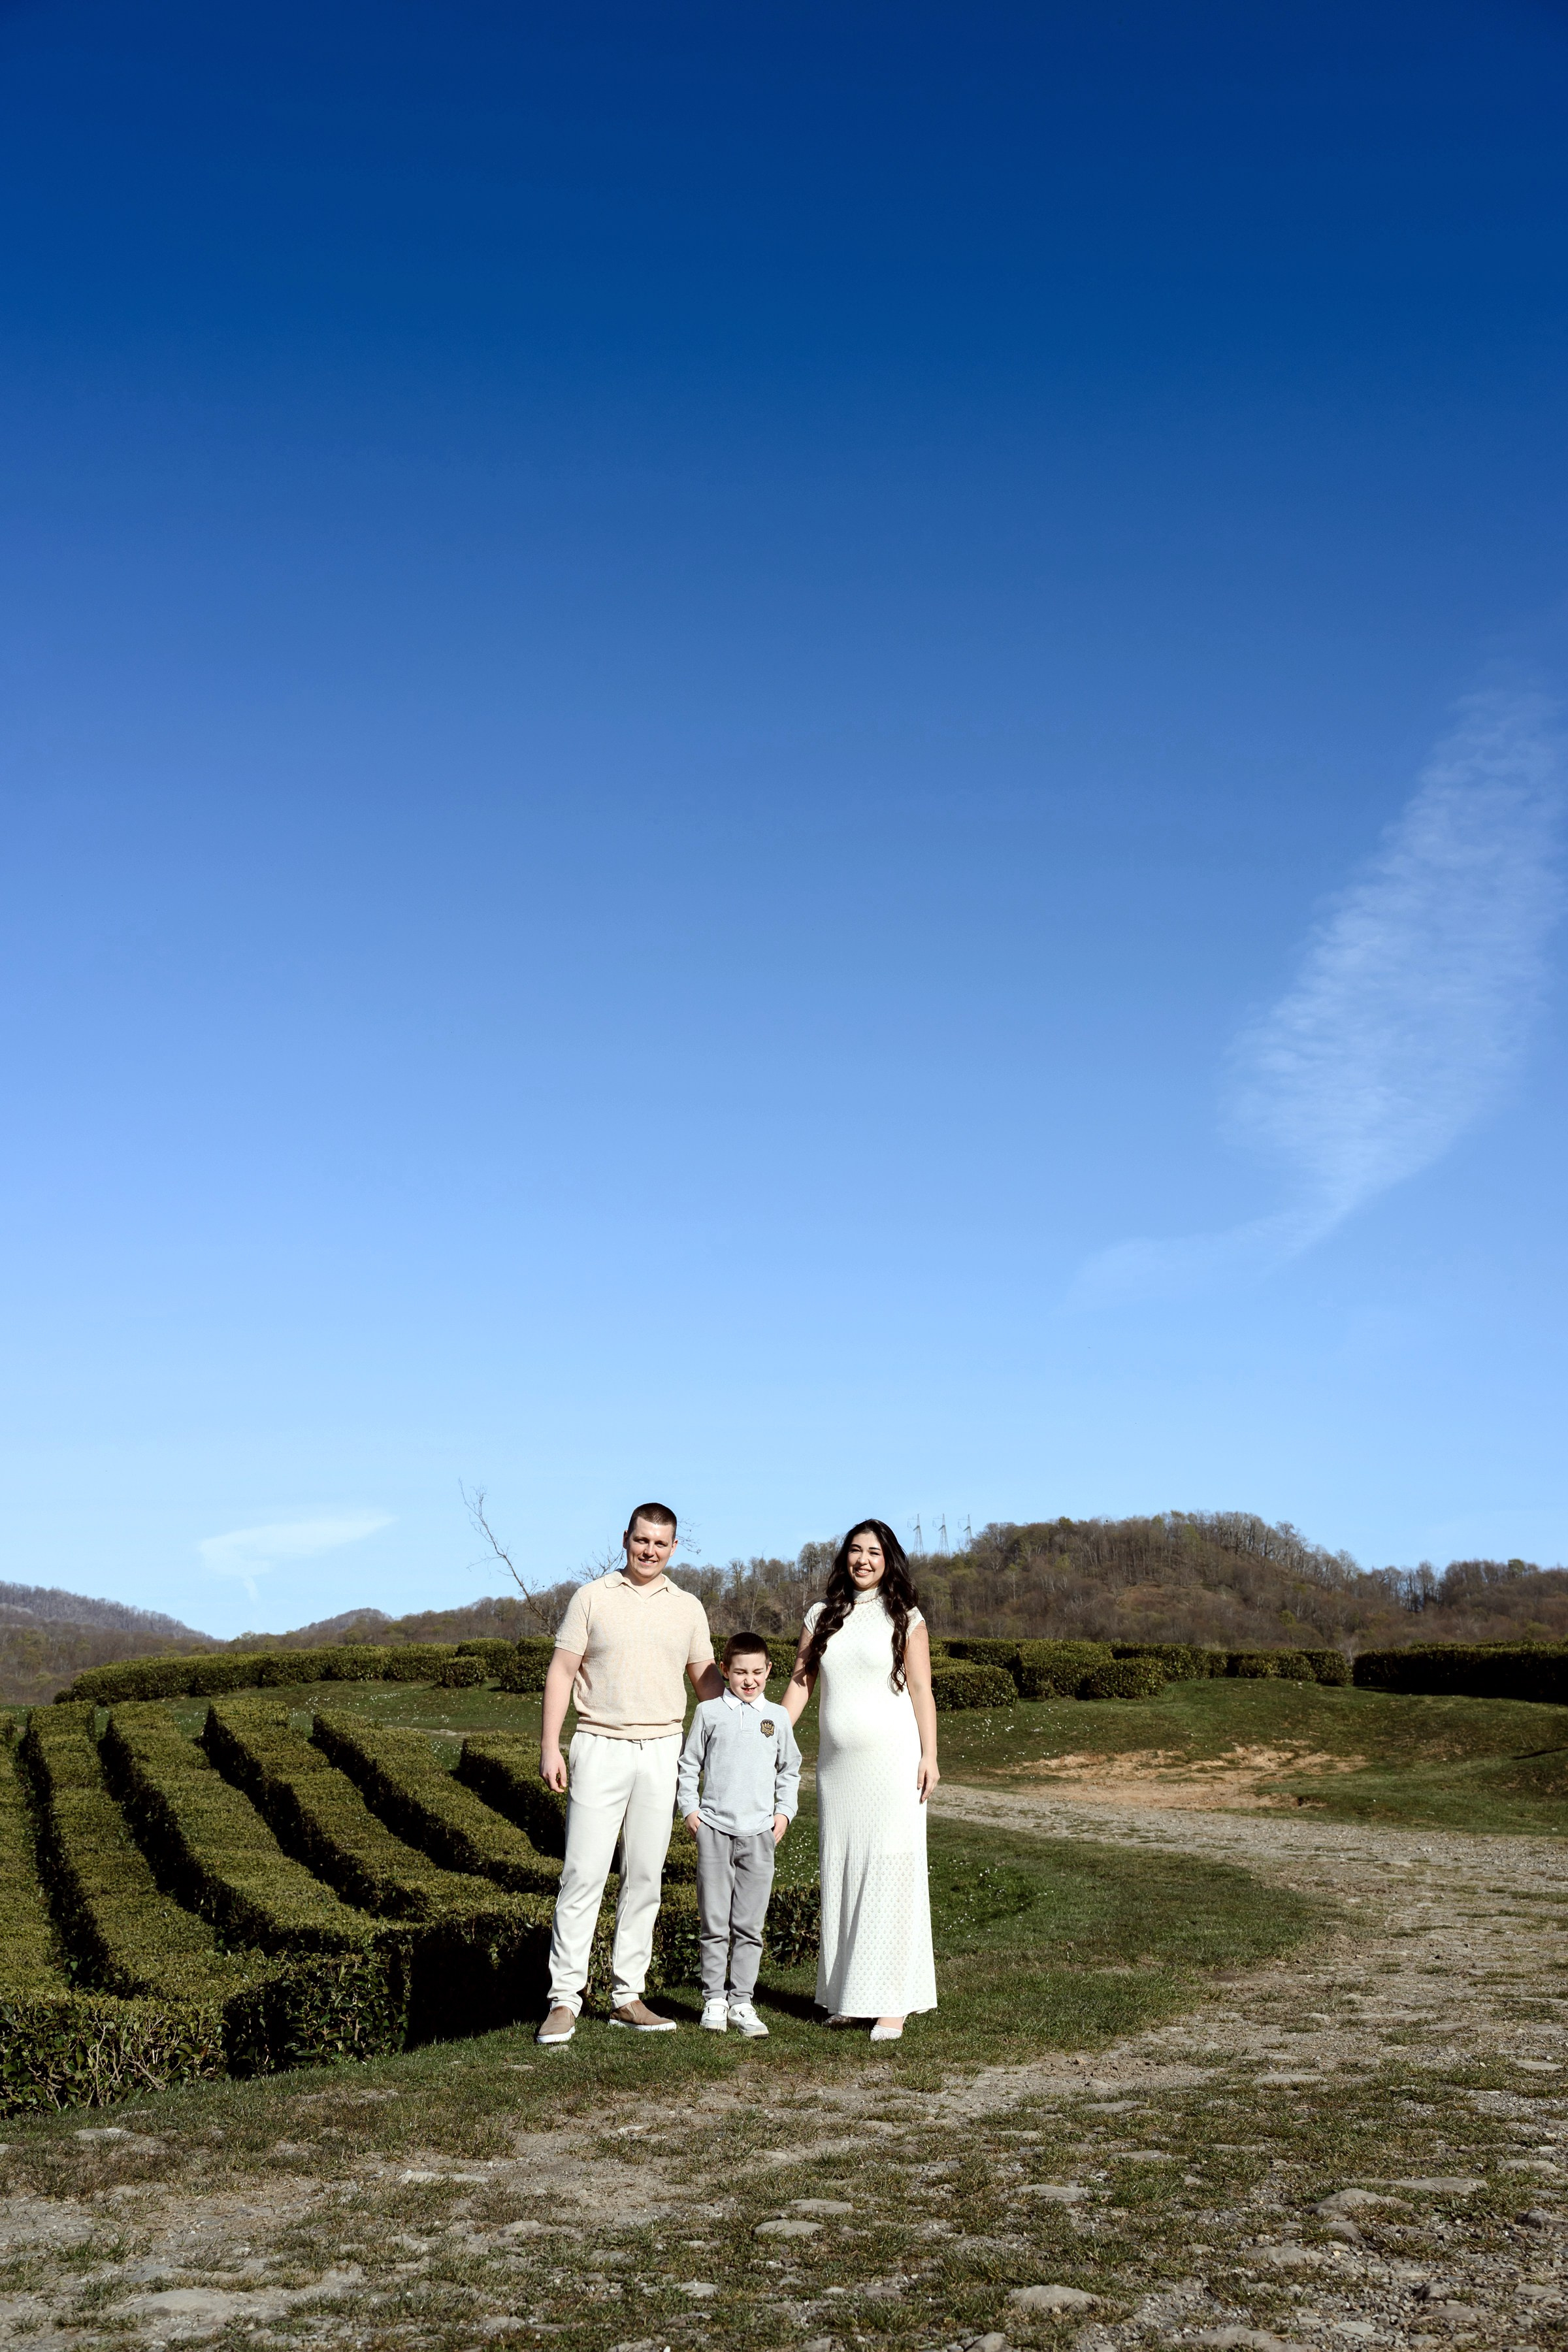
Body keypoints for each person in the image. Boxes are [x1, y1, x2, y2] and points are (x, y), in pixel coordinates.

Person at [535, 1503, 723, 2045]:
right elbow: (562, 1671)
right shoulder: (591, 1597)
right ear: (626, 1538)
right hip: (599, 1745)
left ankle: (627, 1996)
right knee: (583, 1875)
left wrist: (745, 1723)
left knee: (644, 1877)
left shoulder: (688, 1607)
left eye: (660, 1544)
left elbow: (707, 1683)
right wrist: (550, 1746)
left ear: (674, 1548)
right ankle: (564, 1999)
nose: (650, 1551)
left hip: (662, 1751)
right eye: (642, 1540)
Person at [781, 1519, 938, 2040]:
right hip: (838, 1771)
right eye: (855, 1550)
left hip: (893, 1766)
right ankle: (849, 1996)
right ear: (843, 1557)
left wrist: (930, 1756)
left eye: (874, 1552)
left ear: (888, 1560)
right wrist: (770, 1736)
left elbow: (921, 1690)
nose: (863, 1560)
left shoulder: (906, 1618)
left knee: (889, 1874)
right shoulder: (821, 1616)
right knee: (844, 1873)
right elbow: (800, 1683)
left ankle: (892, 2003)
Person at [676, 1629, 802, 2038]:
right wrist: (691, 1810)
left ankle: (742, 2001)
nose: (749, 1680)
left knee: (750, 1925)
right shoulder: (709, 1713)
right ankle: (714, 1998)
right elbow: (689, 1765)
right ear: (725, 1670)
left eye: (757, 1672)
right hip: (714, 1830)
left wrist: (783, 1814)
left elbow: (790, 1770)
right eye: (741, 1672)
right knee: (715, 1923)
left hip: (760, 1834)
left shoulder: (777, 1718)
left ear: (768, 1671)